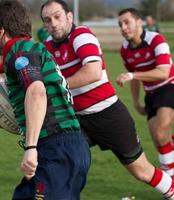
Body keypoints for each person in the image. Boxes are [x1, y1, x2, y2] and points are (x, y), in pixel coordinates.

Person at [41, 1, 174, 199]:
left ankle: (171, 188)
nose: (53, 23)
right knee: (65, 164)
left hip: (109, 115)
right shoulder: (46, 49)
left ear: (69, 16)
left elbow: (93, 72)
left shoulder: (82, 35)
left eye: (57, 16)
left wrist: (53, 88)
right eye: (47, 20)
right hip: (76, 120)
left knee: (142, 170)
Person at [0, 1, 91, 199]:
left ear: (0, 31)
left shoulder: (19, 51)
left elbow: (37, 92)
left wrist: (31, 147)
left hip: (55, 148)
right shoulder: (29, 48)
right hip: (67, 146)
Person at [117, 8, 174, 182]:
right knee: (159, 139)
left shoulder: (156, 40)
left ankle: (170, 180)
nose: (123, 27)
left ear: (139, 22)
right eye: (120, 24)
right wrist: (135, 101)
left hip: (169, 86)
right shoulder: (125, 50)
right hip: (151, 94)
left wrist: (133, 75)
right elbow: (133, 78)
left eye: (127, 22)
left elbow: (163, 72)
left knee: (161, 131)